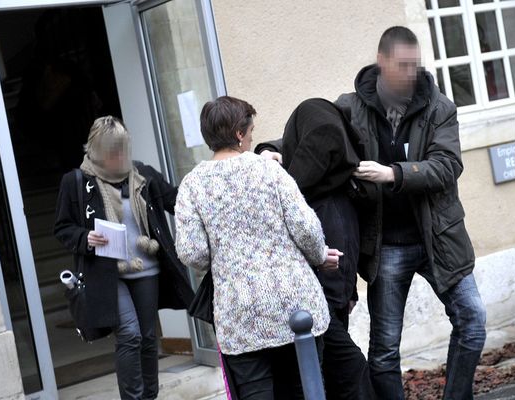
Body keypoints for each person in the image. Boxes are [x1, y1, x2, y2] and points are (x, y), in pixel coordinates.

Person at [338, 26, 486, 399]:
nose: (410, 73)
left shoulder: (439, 107)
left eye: (414, 65)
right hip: (387, 246)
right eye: (402, 65)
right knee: (385, 350)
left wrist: (393, 174)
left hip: (439, 238)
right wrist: (270, 150)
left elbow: (448, 164)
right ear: (382, 62)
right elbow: (312, 134)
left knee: (473, 322)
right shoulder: (350, 107)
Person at [175, 96, 338, 400]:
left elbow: (191, 252)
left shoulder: (192, 185)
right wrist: (319, 257)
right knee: (306, 390)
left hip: (239, 313)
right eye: (250, 130)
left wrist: (226, 252)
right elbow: (306, 227)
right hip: (295, 303)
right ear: (238, 133)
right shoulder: (269, 170)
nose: (252, 136)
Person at [54, 116, 194, 400]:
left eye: (123, 150)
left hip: (146, 269)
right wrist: (85, 238)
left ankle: (149, 396)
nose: (119, 157)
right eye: (112, 151)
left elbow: (179, 201)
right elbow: (62, 228)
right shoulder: (77, 182)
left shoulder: (143, 174)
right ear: (96, 151)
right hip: (107, 273)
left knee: (147, 337)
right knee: (129, 334)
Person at [256, 99, 375, 399]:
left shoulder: (315, 197)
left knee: (338, 374)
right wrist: (263, 153)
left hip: (323, 305)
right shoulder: (338, 185)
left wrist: (347, 294)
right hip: (319, 306)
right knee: (341, 373)